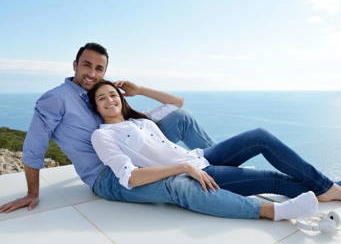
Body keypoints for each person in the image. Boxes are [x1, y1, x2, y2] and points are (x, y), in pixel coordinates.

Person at [86, 80, 341, 221]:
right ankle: (340, 187)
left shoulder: (141, 119)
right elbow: (131, 177)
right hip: (197, 172)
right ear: (96, 107)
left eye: (113, 94)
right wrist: (183, 168)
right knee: (271, 179)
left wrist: (139, 90)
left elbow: (177, 102)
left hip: (201, 157)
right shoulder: (103, 135)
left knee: (260, 136)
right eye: (102, 98)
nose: (110, 100)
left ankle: (328, 187)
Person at [0, 42, 215, 214]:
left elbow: (176, 103)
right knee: (178, 185)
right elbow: (34, 146)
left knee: (180, 117)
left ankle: (217, 166)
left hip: (132, 149)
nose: (92, 74)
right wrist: (32, 193)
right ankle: (218, 177)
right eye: (86, 65)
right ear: (75, 65)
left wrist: (139, 90)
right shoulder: (56, 99)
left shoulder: (102, 93)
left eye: (99, 69)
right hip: (109, 172)